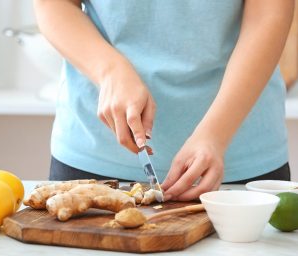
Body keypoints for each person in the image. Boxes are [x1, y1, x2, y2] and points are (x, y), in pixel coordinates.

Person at [33, 0, 294, 201]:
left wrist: (215, 134)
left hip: (240, 158)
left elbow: (270, 13)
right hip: (94, 157)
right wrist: (109, 70)